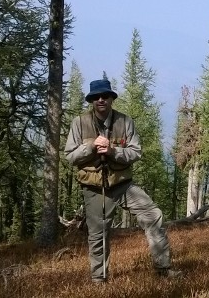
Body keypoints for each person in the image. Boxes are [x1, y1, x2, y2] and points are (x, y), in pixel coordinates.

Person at [64, 79, 182, 283]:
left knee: (153, 215)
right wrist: (91, 146)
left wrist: (113, 151)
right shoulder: (79, 123)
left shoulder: (125, 122)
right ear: (92, 100)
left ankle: (163, 269)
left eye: (105, 96)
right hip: (94, 187)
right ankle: (99, 280)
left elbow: (136, 152)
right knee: (98, 235)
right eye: (96, 97)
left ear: (111, 98)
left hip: (123, 184)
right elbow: (70, 156)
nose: (101, 100)